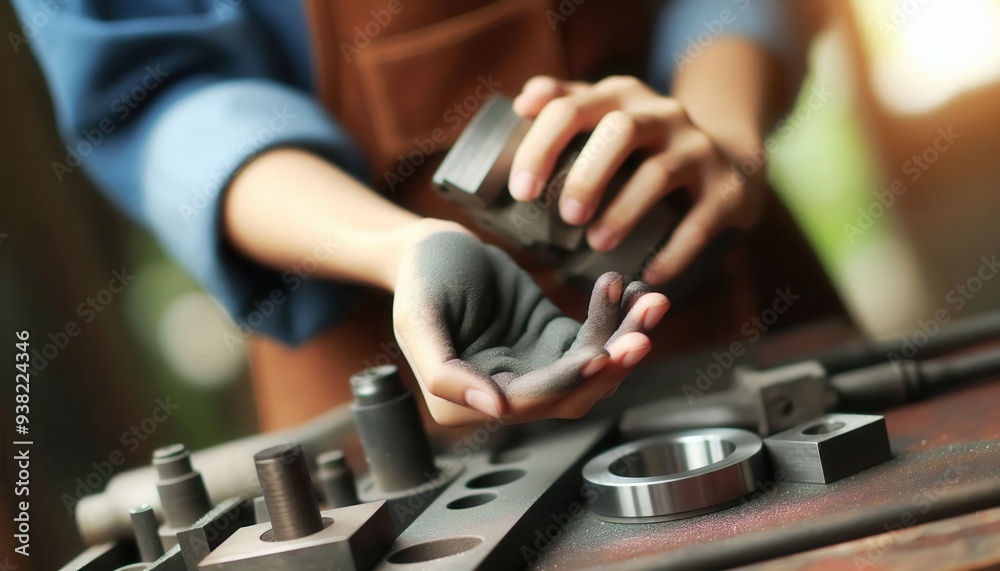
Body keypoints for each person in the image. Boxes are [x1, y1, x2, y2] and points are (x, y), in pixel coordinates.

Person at [13, 0, 818, 428]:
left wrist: (718, 130)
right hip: (387, 380)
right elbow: (157, 96)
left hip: (738, 291)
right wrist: (400, 248)